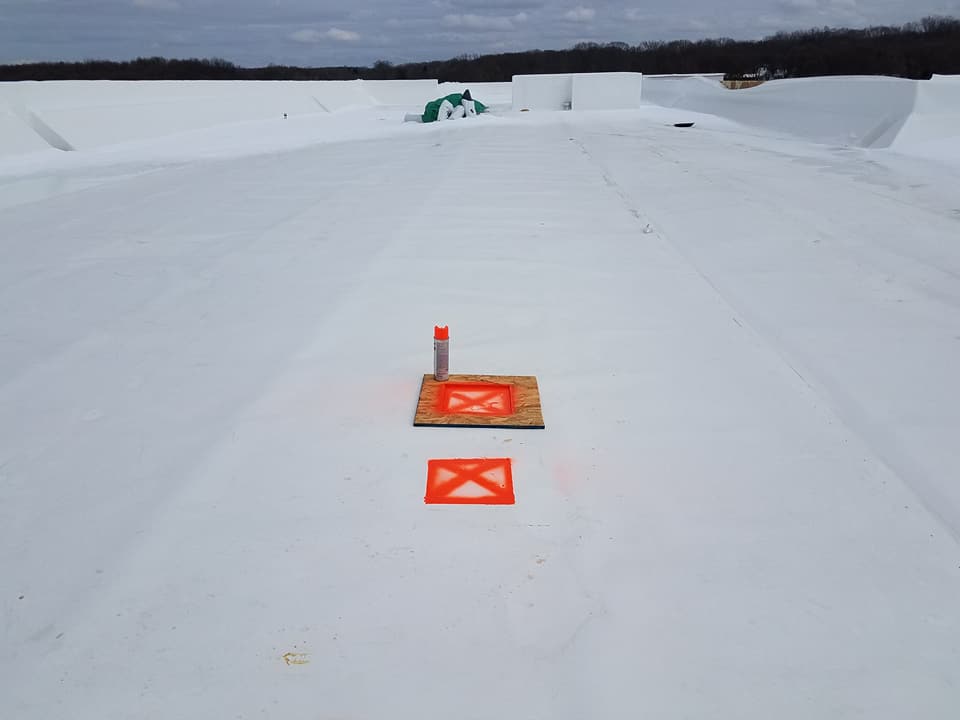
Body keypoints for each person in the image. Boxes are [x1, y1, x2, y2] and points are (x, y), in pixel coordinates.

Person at [421, 89, 487, 123]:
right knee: (460, 108)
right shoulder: (458, 99)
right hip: (436, 110)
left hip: (433, 111)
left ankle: (445, 122)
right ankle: (446, 122)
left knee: (459, 108)